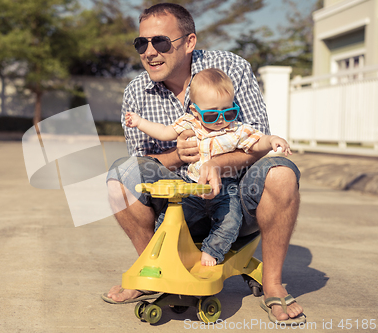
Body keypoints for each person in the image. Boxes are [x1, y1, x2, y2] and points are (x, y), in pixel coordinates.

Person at [102, 2, 305, 324]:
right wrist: (176, 156)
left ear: (190, 42)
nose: (149, 52)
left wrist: (219, 164)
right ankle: (153, 273)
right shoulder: (136, 93)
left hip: (235, 199)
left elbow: (259, 141)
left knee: (280, 172)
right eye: (142, 43)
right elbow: (140, 161)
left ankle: (273, 284)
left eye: (161, 42)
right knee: (119, 176)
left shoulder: (229, 69)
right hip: (179, 205)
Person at [124, 67, 292, 266]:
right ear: (195, 110)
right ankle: (162, 251)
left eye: (229, 112)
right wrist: (140, 122)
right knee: (169, 217)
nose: (221, 119)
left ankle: (212, 251)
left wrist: (272, 140)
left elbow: (257, 142)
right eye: (211, 115)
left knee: (230, 220)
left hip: (225, 188)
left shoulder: (236, 130)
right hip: (191, 186)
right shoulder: (190, 123)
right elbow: (164, 132)